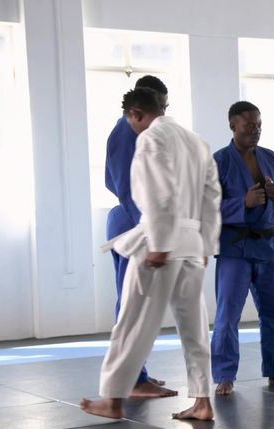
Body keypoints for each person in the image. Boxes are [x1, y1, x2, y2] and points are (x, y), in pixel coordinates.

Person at [80, 87, 221, 421]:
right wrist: (206, 244)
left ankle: (113, 400)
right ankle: (202, 401)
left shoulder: (150, 138)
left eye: (131, 121)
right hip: (192, 243)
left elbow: (158, 195)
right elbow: (211, 196)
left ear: (136, 114)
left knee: (132, 322)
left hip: (162, 241)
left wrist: (158, 244)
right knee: (195, 327)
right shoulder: (197, 141)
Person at [210, 101, 274, 395]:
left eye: (259, 125)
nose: (255, 130)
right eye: (249, 125)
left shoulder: (272, 158)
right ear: (233, 126)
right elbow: (204, 206)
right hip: (235, 248)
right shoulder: (218, 162)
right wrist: (242, 202)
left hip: (269, 245)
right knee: (228, 316)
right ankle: (225, 375)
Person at [104, 75, 175, 398]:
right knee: (132, 305)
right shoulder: (125, 134)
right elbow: (126, 189)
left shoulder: (140, 133)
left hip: (134, 222)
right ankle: (132, 381)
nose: (163, 115)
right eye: (160, 107)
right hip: (132, 225)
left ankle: (136, 372)